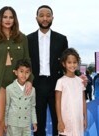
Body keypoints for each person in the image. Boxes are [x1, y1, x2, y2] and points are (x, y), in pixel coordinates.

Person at [0, 6, 33, 135]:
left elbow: (27, 60)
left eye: (11, 17)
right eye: (5, 17)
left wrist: (29, 80)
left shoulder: (22, 38)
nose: (8, 20)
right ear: (0, 19)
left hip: (18, 85)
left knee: (16, 124)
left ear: (15, 20)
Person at [27, 5, 68, 136]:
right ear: (36, 18)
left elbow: (66, 63)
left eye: (48, 15)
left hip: (56, 85)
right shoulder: (28, 39)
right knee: (38, 124)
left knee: (59, 122)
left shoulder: (62, 39)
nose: (45, 18)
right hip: (36, 85)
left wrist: (79, 77)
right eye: (41, 15)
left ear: (52, 18)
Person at [55, 48, 87, 136]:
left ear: (78, 63)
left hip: (78, 119)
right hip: (66, 120)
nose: (72, 65)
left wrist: (85, 118)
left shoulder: (80, 81)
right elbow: (58, 102)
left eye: (74, 62)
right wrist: (60, 121)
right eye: (69, 62)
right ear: (64, 64)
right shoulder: (60, 81)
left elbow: (83, 101)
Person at [5, 59, 37, 136]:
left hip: (26, 124)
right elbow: (7, 106)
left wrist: (34, 122)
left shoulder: (32, 90)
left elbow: (32, 107)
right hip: (13, 123)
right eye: (21, 71)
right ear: (16, 72)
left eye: (27, 72)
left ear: (30, 74)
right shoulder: (9, 88)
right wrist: (5, 122)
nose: (24, 74)